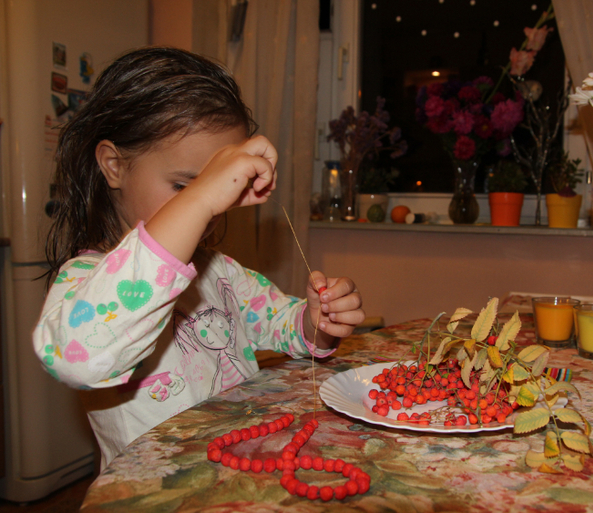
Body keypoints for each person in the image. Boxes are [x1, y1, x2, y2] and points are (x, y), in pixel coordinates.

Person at [32, 47, 365, 470]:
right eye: (185, 187)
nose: (210, 206)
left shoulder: (218, 271)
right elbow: (76, 359)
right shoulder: (87, 279)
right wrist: (201, 197)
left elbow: (283, 325)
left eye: (217, 187)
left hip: (239, 469)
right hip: (158, 488)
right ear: (114, 166)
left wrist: (316, 322)